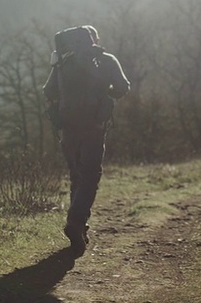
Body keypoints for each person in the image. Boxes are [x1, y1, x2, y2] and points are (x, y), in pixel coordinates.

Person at [43, 26, 130, 257]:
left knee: (77, 176)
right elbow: (122, 88)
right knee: (90, 176)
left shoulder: (62, 62)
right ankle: (76, 220)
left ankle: (79, 228)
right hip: (94, 127)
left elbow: (48, 91)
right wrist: (105, 92)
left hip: (68, 128)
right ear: (93, 40)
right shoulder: (106, 60)